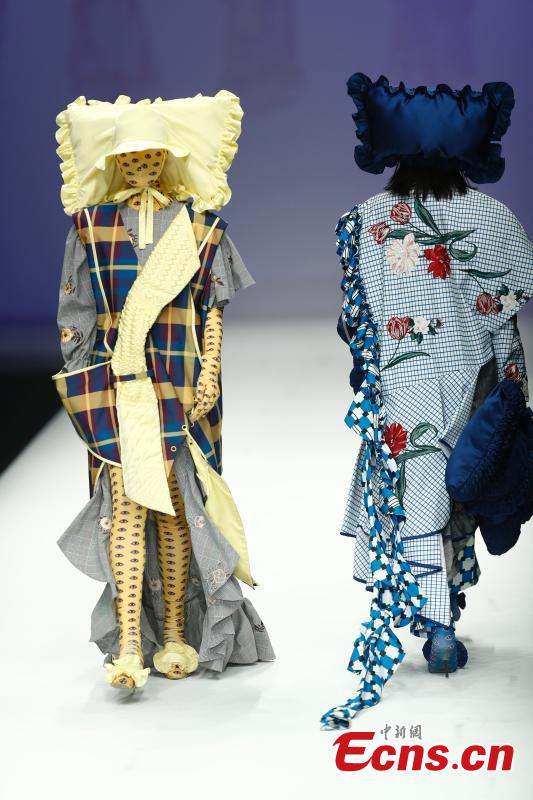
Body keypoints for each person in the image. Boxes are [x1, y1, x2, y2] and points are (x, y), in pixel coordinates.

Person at [321, 73, 533, 729]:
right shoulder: (493, 218)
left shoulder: (363, 221)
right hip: (470, 379)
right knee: (457, 491)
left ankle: (435, 622)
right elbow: (503, 317)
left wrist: (371, 369)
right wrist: (514, 384)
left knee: (413, 496)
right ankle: (442, 622)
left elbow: (354, 320)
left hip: (401, 382)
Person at [54, 91, 274, 690]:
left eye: (151, 154)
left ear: (166, 157)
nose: (142, 164)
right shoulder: (90, 227)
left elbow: (212, 307)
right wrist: (82, 382)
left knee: (176, 506)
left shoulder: (200, 227)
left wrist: (210, 371)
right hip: (118, 381)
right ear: (117, 162)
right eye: (131, 156)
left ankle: (175, 633)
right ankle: (129, 643)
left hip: (180, 380)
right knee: (126, 506)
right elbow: (76, 314)